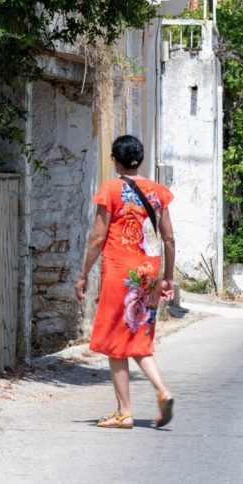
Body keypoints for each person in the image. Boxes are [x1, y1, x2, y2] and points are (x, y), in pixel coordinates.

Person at [74, 134, 176, 430]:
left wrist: (83, 275)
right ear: (140, 159)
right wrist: (167, 277)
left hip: (121, 272)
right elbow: (169, 238)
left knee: (116, 342)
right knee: (138, 337)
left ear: (114, 160)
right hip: (149, 271)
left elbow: (97, 237)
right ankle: (162, 389)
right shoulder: (158, 192)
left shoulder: (110, 190)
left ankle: (124, 412)